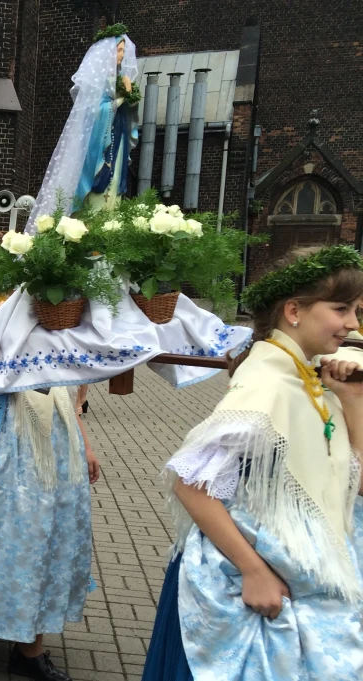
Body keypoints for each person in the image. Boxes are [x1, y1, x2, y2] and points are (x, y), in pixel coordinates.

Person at [142, 245, 363, 681]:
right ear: (294, 311)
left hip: (306, 572)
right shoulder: (266, 383)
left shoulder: (308, 377)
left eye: (356, 310)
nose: (353, 324)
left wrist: (353, 399)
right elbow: (191, 482)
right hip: (249, 583)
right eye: (341, 309)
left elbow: (355, 484)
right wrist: (254, 570)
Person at [0, 309, 101, 680]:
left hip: (53, 443)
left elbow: (62, 383)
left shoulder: (61, 317)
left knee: (43, 537)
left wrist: (85, 445)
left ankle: (30, 647)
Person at [27, 27, 139, 226]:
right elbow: (94, 113)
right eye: (118, 50)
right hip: (100, 143)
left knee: (114, 188)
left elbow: (130, 113)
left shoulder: (122, 80)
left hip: (118, 139)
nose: (122, 55)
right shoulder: (98, 82)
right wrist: (121, 98)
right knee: (99, 184)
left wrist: (131, 100)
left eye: (123, 50)